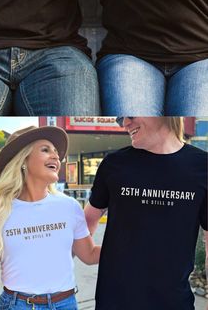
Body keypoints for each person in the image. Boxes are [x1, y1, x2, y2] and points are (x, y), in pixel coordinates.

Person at [84, 116, 208, 310]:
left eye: (131, 115)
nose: (125, 123)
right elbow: (86, 222)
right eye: (120, 119)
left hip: (174, 303)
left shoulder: (203, 167)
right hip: (115, 302)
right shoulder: (114, 164)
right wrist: (91, 254)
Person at [0, 124, 100, 310]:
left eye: (56, 152)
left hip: (66, 304)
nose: (56, 156)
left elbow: (89, 254)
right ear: (23, 160)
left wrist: (134, 244)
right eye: (45, 150)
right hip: (17, 305)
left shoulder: (69, 206)